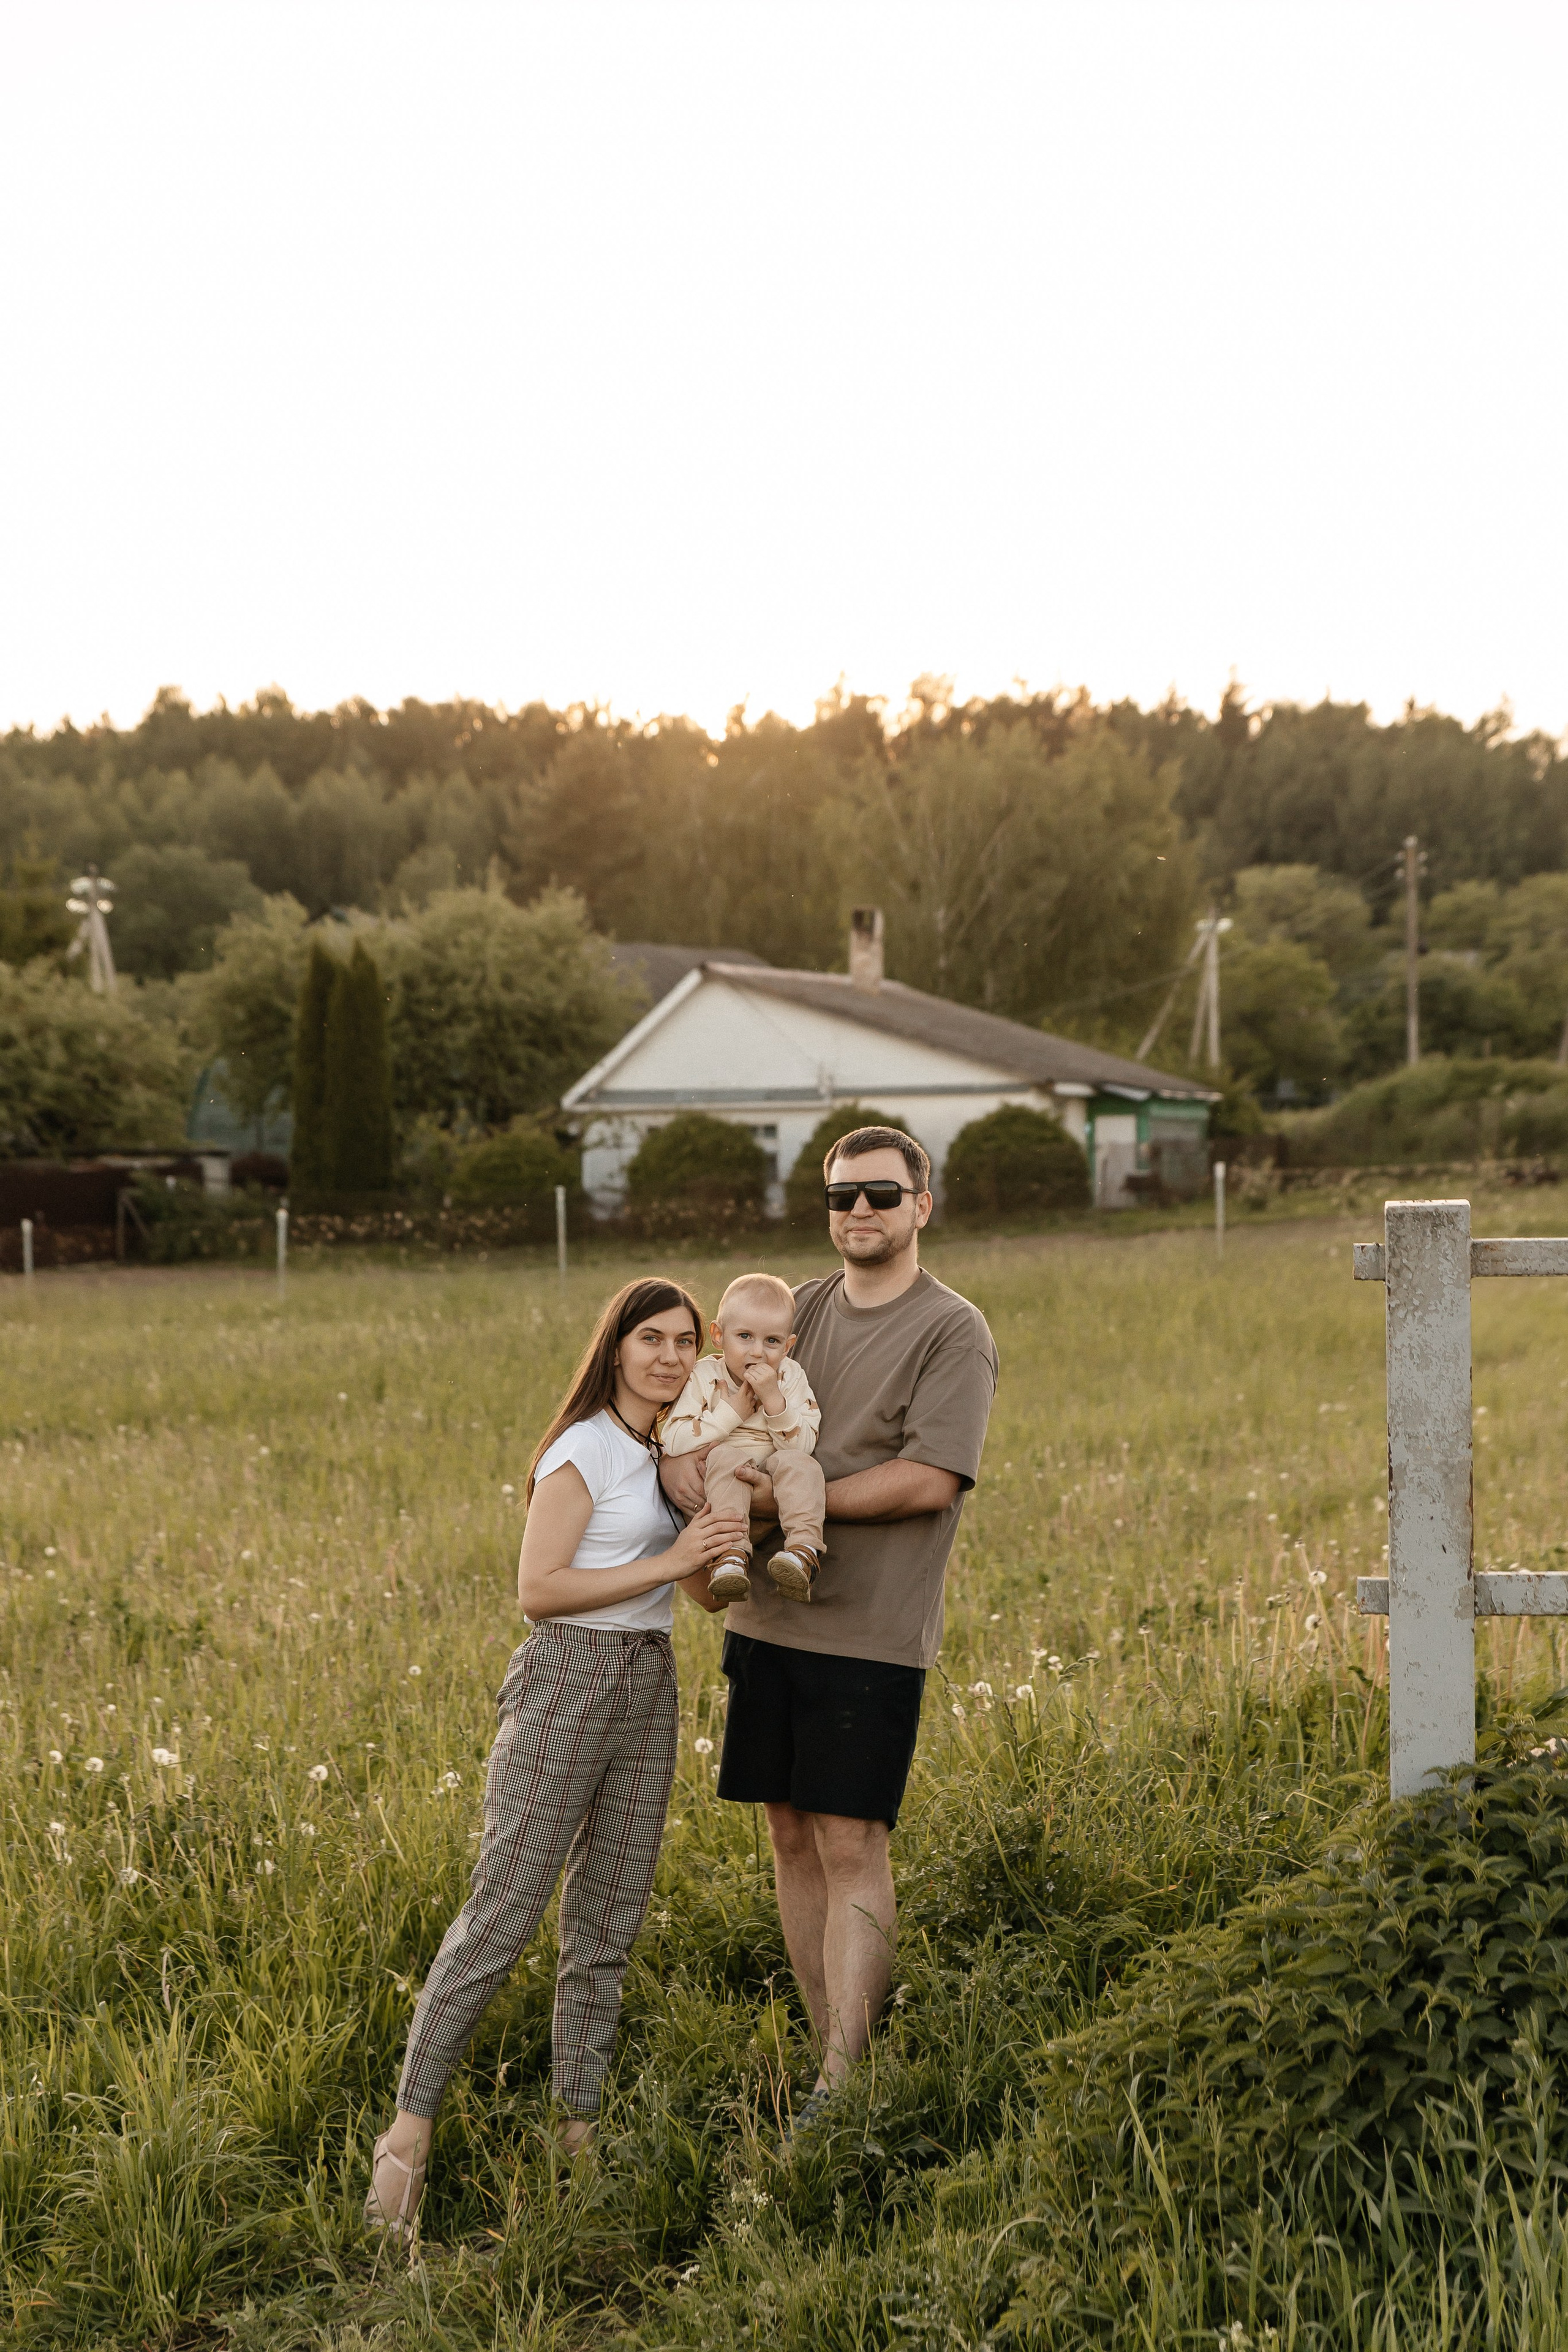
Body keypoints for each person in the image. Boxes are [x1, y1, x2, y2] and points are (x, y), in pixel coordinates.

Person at [365, 1278, 743, 2242]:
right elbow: (537, 1589)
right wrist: (671, 1562)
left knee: (607, 1923)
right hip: (567, 1681)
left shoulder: (670, 1456)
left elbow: (705, 1597)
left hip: (648, 1682)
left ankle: (578, 2136)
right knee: (503, 1914)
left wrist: (734, 1523)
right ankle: (405, 2141)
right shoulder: (584, 1449)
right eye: (651, 1339)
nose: (669, 1357)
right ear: (615, 1348)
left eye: (685, 1342)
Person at [660, 1126, 998, 2130]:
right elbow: (708, 1401)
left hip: (869, 1630)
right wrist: (693, 1479)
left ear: (922, 1206)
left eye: (882, 1195)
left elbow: (930, 1479)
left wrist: (785, 1505)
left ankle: (848, 2089)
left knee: (851, 1840)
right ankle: (826, 2059)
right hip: (767, 1616)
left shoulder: (951, 1330)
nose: (860, 1211)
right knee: (788, 1831)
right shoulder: (792, 1309)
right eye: (842, 1195)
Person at [661, 1272, 826, 1605]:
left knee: (803, 1465)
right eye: (745, 1336)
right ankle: (730, 1557)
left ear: (788, 1346)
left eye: (772, 1341)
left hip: (774, 1479)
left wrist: (774, 1400)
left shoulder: (790, 1376)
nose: (758, 1352)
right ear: (719, 1336)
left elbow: (804, 1445)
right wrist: (732, 1412)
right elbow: (674, 1440)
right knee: (726, 1457)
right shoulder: (705, 1376)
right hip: (723, 1487)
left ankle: (803, 1550)